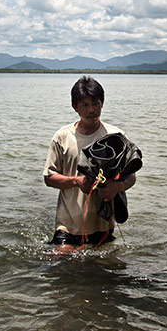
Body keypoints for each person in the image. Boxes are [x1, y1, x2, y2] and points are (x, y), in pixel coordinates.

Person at [43, 76, 136, 247]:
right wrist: (76, 181)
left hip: (103, 225)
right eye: (85, 105)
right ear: (75, 106)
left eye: (95, 103)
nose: (91, 110)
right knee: (60, 265)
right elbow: (49, 178)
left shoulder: (116, 138)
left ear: (103, 102)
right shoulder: (62, 137)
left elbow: (131, 176)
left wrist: (117, 187)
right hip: (67, 225)